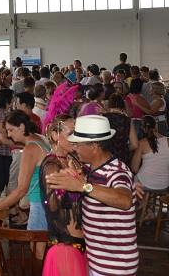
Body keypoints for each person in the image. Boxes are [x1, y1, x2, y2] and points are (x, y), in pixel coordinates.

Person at [46, 115, 138, 276]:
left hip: (115, 267)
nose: (74, 148)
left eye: (78, 144)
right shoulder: (91, 170)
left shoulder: (117, 172)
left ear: (94, 146)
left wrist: (82, 186)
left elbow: (124, 200)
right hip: (99, 262)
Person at [0, 110, 50, 257]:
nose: (9, 134)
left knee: (38, 253)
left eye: (11, 130)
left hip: (39, 205)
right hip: (47, 202)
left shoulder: (30, 149)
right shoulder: (40, 139)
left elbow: (21, 190)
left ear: (22, 127)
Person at [38, 114, 88, 276]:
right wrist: (75, 187)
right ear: (55, 135)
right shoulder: (51, 165)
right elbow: (53, 205)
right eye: (71, 133)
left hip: (81, 243)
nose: (76, 138)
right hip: (65, 247)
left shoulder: (72, 159)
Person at [130, 116, 169, 191]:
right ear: (156, 125)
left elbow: (134, 168)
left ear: (143, 128)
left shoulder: (142, 143)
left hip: (145, 183)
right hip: (164, 184)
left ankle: (142, 201)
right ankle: (146, 200)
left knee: (128, 181)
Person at [103, 94, 138, 166]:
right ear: (123, 105)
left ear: (109, 104)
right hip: (122, 157)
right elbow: (135, 144)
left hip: (106, 156)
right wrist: (124, 148)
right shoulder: (127, 120)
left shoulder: (103, 118)